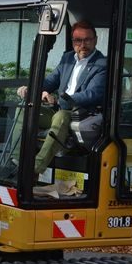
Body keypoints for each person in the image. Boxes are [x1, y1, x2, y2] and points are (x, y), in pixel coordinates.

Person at [15, 21, 107, 176]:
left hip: (83, 116)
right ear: (73, 42)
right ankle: (16, 161)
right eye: (78, 40)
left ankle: (33, 170)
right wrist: (31, 89)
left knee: (61, 116)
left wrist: (57, 100)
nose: (82, 45)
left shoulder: (102, 64)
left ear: (95, 40)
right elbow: (50, 81)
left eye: (87, 40)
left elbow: (92, 94)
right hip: (59, 110)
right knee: (25, 109)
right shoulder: (67, 59)